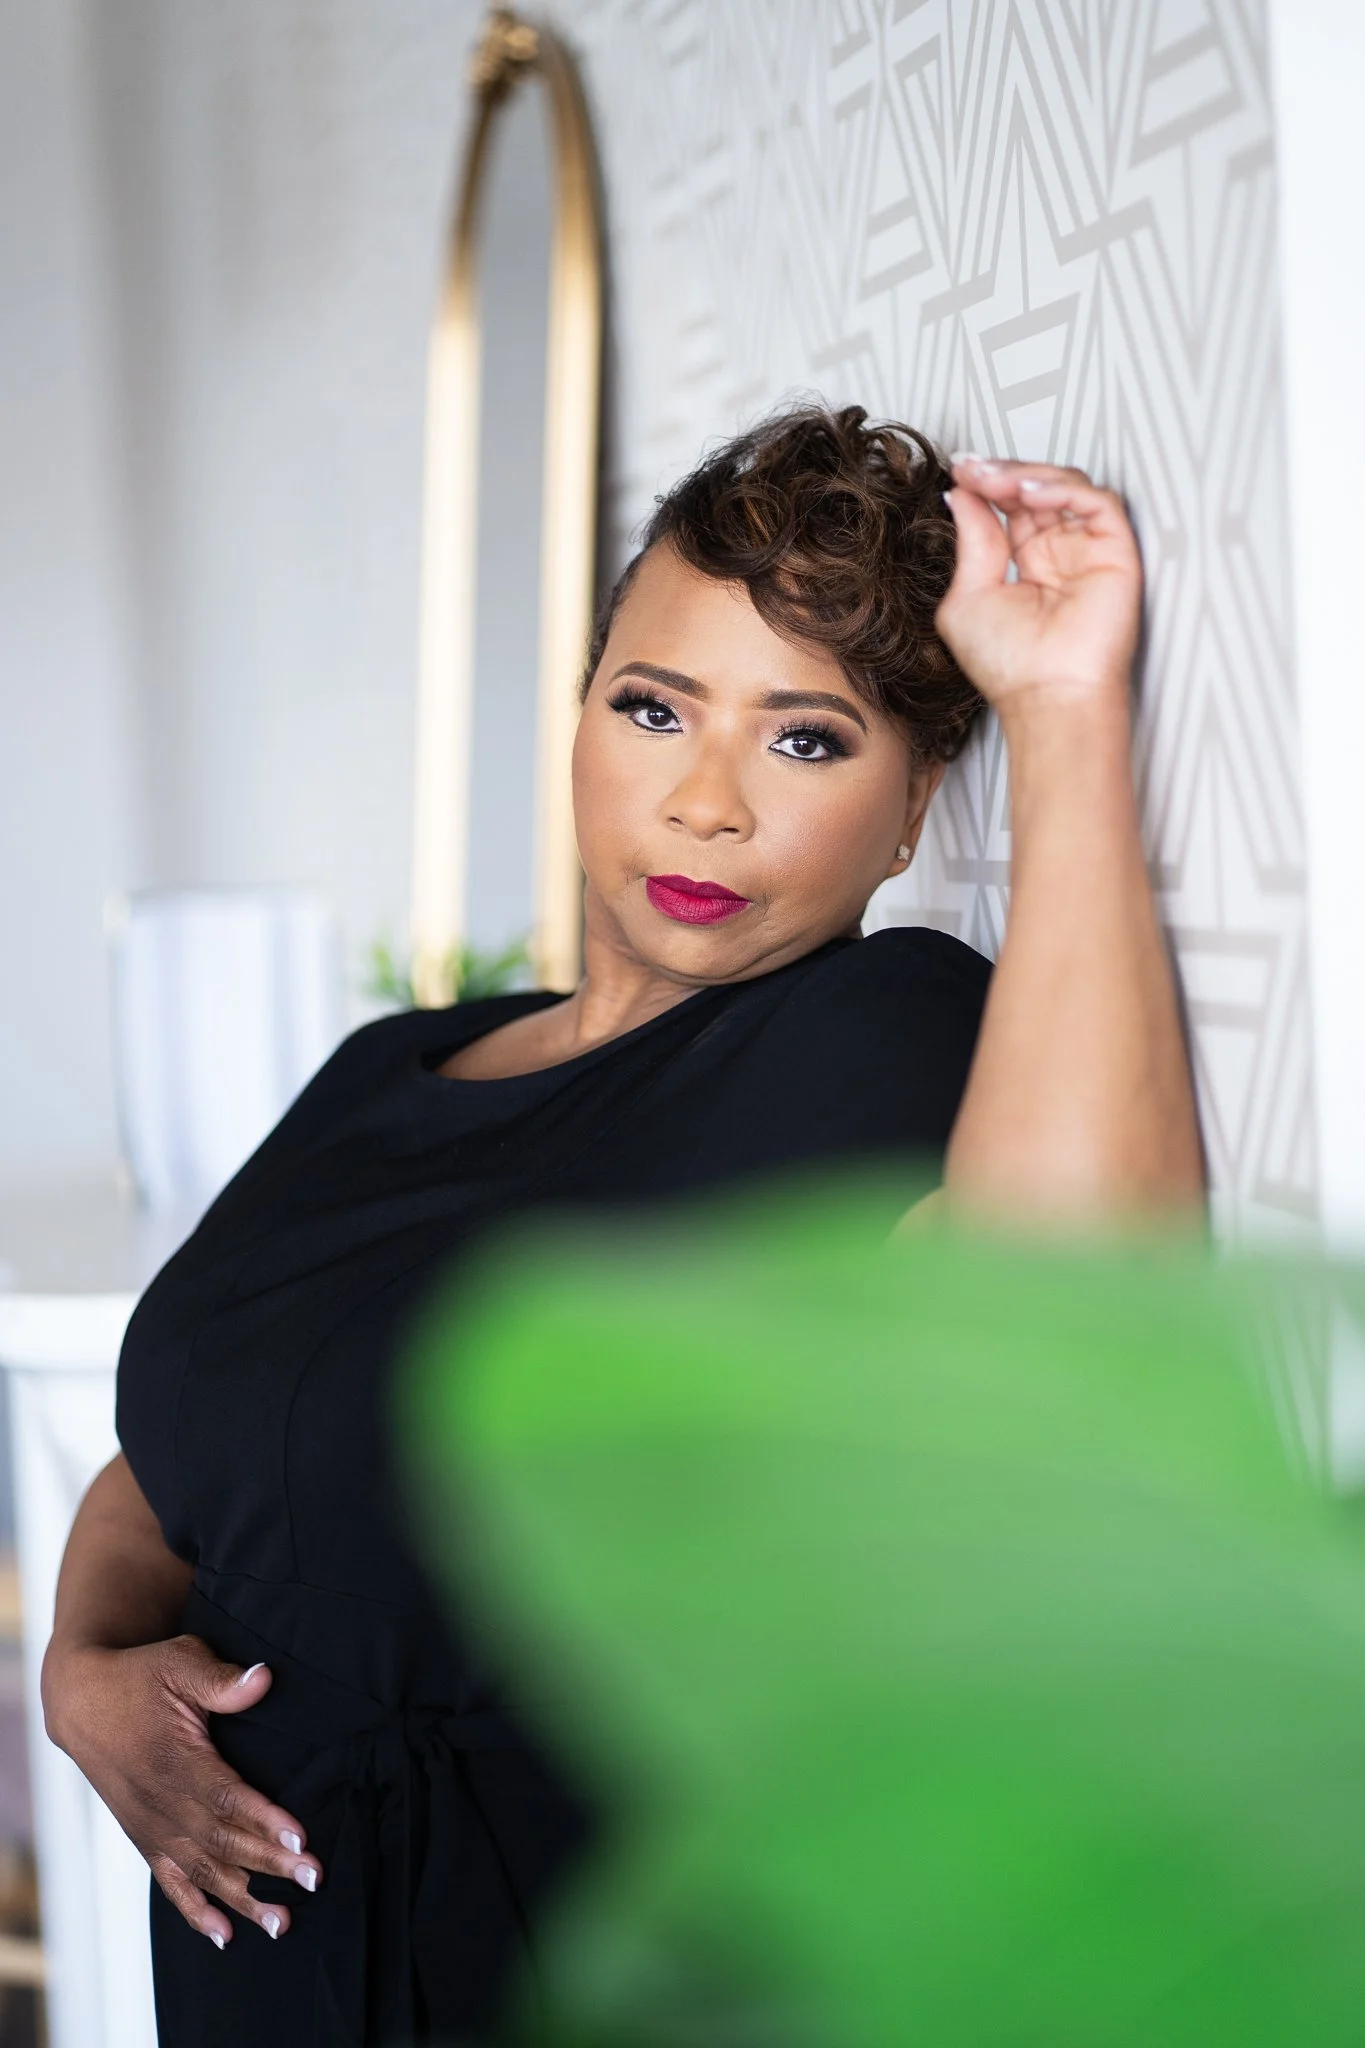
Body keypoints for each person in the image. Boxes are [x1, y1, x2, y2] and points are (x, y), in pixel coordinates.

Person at [40, 406, 1202, 2045]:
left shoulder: (883, 1040)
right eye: (654, 708)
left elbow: (1094, 1315)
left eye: (808, 739)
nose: (707, 803)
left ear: (919, 799)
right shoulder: (396, 1063)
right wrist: (80, 1675)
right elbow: (185, 1464)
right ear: (580, 714)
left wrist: (1068, 708)